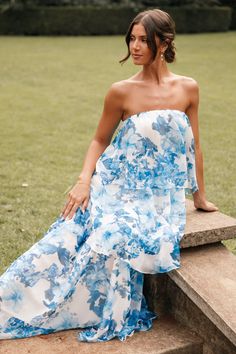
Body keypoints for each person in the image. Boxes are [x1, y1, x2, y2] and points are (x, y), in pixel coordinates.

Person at [0, 9, 218, 343]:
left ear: (165, 42)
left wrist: (199, 197)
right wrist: (85, 180)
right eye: (132, 38)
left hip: (159, 194)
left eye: (144, 39)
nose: (135, 46)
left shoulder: (188, 88)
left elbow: (195, 146)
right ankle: (19, 300)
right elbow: (99, 139)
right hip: (116, 182)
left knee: (121, 233)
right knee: (72, 235)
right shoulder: (121, 91)